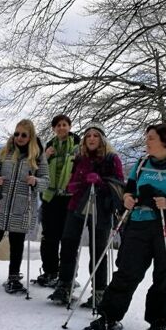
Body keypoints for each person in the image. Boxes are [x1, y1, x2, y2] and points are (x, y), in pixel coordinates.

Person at [86, 123, 166, 330]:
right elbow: (129, 189)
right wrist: (127, 198)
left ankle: (158, 324)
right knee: (127, 271)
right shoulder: (141, 164)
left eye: (151, 138)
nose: (146, 141)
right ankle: (108, 317)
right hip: (141, 223)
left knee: (165, 275)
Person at [48, 122, 124, 308]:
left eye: (95, 135)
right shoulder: (79, 157)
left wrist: (101, 183)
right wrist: (73, 186)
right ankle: (65, 285)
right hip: (76, 205)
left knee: (97, 250)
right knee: (68, 244)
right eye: (88, 135)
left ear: (102, 139)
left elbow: (120, 184)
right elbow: (74, 179)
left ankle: (99, 292)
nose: (91, 138)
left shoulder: (112, 158)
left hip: (101, 208)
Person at [0, 119, 48, 294]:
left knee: (17, 244)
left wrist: (35, 181)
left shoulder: (38, 156)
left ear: (30, 136)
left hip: (21, 207)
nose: (19, 137)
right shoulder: (3, 152)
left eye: (24, 135)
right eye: (17, 134)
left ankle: (13, 278)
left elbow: (46, 181)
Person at [36, 114, 79, 287]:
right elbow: (39, 169)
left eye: (64, 125)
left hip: (70, 197)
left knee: (68, 238)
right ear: (54, 128)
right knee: (49, 237)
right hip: (51, 197)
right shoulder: (49, 146)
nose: (61, 128)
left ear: (69, 127)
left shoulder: (78, 146)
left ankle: (66, 275)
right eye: (58, 125)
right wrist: (44, 156)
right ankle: (49, 271)